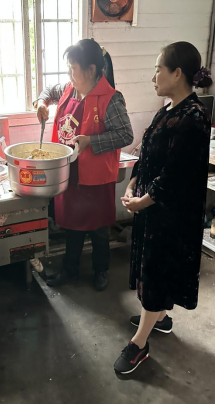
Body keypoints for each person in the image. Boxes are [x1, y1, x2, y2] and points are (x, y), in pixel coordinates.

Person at [113, 42, 213, 374]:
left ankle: (139, 344)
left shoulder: (194, 117)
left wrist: (143, 200)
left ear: (177, 73)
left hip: (171, 215)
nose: (153, 77)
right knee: (155, 268)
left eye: (158, 69)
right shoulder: (168, 109)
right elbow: (147, 153)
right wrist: (132, 184)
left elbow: (176, 174)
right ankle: (159, 317)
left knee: (157, 271)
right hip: (153, 209)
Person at [37, 39, 134, 292]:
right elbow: (49, 90)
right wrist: (42, 103)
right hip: (69, 173)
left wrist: (92, 141)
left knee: (98, 227)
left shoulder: (111, 99)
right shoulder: (70, 89)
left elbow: (125, 135)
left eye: (73, 68)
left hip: (95, 176)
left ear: (91, 70)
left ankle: (101, 270)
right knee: (72, 224)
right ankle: (70, 269)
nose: (69, 74)